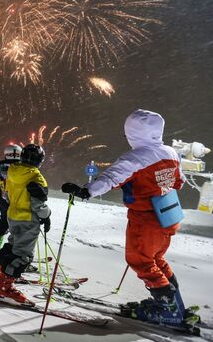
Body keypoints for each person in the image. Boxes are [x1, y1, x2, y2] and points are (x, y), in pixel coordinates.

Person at [62, 109, 187, 325]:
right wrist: (160, 190)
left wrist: (87, 191)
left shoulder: (136, 158)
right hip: (168, 216)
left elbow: (112, 177)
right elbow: (180, 181)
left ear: (133, 134)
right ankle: (175, 303)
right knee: (156, 259)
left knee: (139, 259)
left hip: (145, 220)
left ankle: (167, 309)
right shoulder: (171, 153)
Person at [0, 144, 51, 303]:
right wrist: (47, 215)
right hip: (28, 220)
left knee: (12, 246)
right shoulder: (36, 177)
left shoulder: (12, 171)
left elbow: (6, 196)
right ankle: (5, 287)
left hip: (13, 216)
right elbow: (39, 205)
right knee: (23, 255)